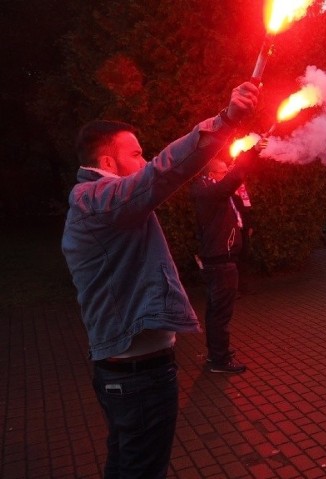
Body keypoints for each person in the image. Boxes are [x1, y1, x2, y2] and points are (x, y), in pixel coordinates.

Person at [61, 82, 259, 478]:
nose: (145, 159)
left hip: (132, 375)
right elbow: (160, 174)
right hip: (137, 380)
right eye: (135, 154)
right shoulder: (96, 201)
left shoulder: (102, 204)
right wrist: (224, 122)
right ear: (108, 161)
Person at [192, 146, 264, 374]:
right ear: (212, 175)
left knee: (216, 312)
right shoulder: (207, 191)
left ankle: (217, 354)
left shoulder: (210, 189)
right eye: (223, 171)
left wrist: (249, 153)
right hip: (220, 261)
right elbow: (230, 182)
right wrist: (248, 156)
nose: (227, 174)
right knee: (220, 314)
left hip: (221, 260)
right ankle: (220, 360)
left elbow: (231, 181)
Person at [232, 182, 255, 294]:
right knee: (233, 258)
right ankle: (234, 289)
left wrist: (249, 225)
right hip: (233, 229)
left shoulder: (242, 189)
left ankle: (244, 287)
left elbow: (247, 209)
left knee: (244, 256)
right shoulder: (225, 190)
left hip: (243, 228)